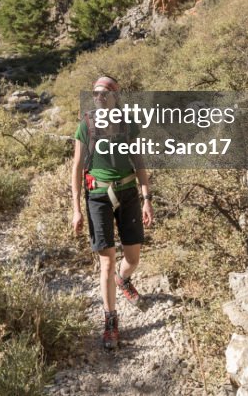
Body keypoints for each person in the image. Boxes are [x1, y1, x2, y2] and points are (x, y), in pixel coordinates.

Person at [71, 75, 153, 350]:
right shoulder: (87, 124)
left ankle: (123, 279)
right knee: (107, 261)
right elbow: (77, 167)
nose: (99, 97)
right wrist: (75, 209)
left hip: (129, 193)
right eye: (96, 93)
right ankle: (110, 321)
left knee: (133, 257)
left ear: (116, 96)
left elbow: (139, 161)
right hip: (97, 196)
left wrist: (146, 198)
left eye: (105, 93)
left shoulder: (128, 124)